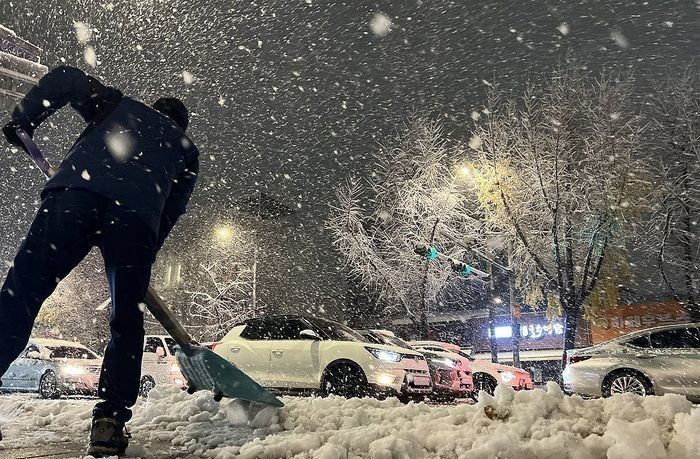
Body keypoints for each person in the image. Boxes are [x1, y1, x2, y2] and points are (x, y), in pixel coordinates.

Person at [0, 66, 199, 456]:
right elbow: (171, 211)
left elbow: (67, 77)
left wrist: (26, 118)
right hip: (136, 221)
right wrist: (139, 255)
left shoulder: (117, 106)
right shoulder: (187, 151)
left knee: (20, 295)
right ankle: (108, 422)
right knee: (125, 320)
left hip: (74, 197)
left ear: (154, 109)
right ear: (182, 124)